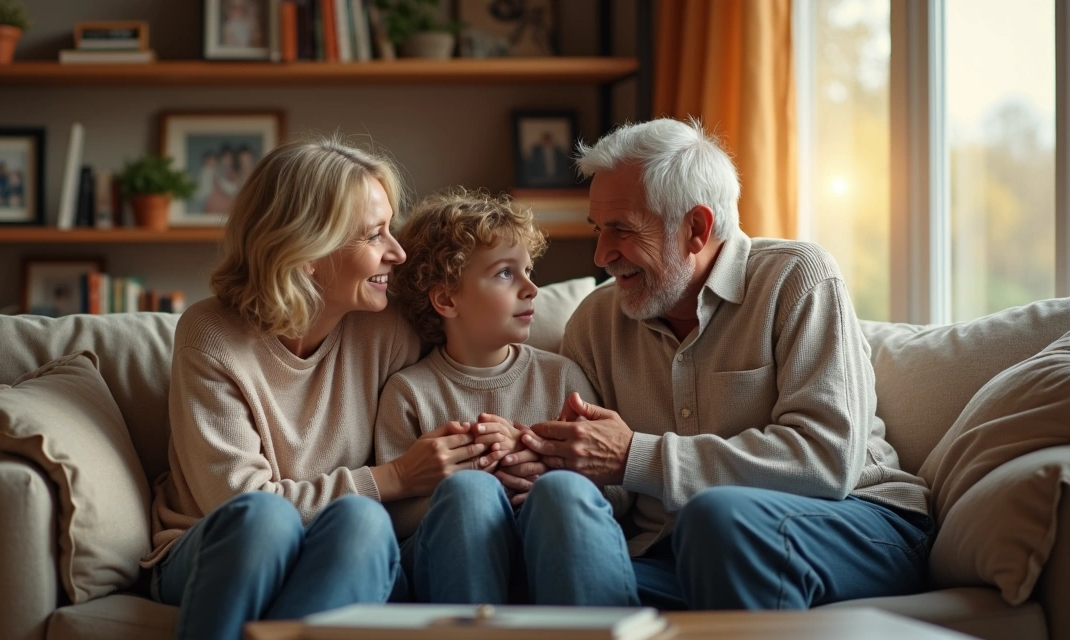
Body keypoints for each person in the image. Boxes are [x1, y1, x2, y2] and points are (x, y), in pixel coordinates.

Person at [491, 117, 934, 609]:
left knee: (715, 516)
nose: (601, 255)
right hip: (672, 548)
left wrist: (635, 456)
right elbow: (609, 481)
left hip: (856, 520)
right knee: (548, 560)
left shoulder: (797, 278)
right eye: (598, 230)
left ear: (696, 228)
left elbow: (827, 460)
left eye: (622, 229)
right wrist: (545, 466)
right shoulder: (596, 321)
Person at [141, 138, 493, 640]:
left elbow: (477, 358)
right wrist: (394, 476)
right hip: (221, 548)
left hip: (345, 549)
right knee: (266, 520)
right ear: (308, 252)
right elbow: (238, 502)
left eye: (390, 229)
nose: (397, 252)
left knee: (362, 522)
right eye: (374, 235)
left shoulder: (390, 327)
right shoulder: (212, 336)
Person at [377, 189, 630, 604]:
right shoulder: (408, 393)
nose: (531, 288)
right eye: (505, 273)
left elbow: (618, 495)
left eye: (528, 270)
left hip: (548, 550)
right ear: (446, 299)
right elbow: (394, 514)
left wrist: (545, 469)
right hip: (451, 556)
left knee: (561, 491)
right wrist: (484, 479)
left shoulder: (563, 376)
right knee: (471, 493)